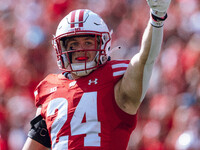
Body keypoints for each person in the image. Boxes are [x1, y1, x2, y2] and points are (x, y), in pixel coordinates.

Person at [22, 0, 171, 149]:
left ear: (102, 44)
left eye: (88, 43)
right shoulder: (49, 89)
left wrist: (156, 18)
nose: (80, 49)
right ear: (61, 48)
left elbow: (146, 58)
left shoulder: (115, 79)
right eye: (73, 44)